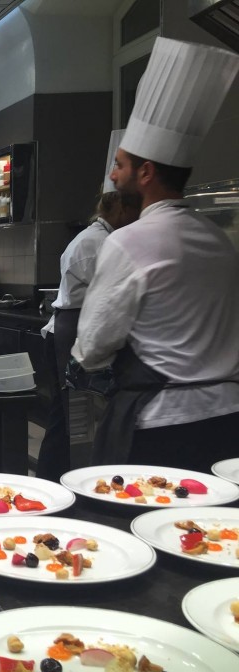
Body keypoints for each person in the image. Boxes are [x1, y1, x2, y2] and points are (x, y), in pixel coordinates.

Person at [71, 37, 239, 472]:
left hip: (161, 424)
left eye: (120, 165)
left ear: (145, 173)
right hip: (228, 418)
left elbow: (92, 347)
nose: (112, 173)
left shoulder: (130, 242)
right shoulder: (218, 239)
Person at [36, 172, 141, 480]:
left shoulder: (95, 238)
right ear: (120, 208)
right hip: (75, 328)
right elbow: (112, 298)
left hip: (70, 327)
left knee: (65, 414)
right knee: (76, 415)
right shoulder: (100, 242)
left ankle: (53, 477)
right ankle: (71, 479)